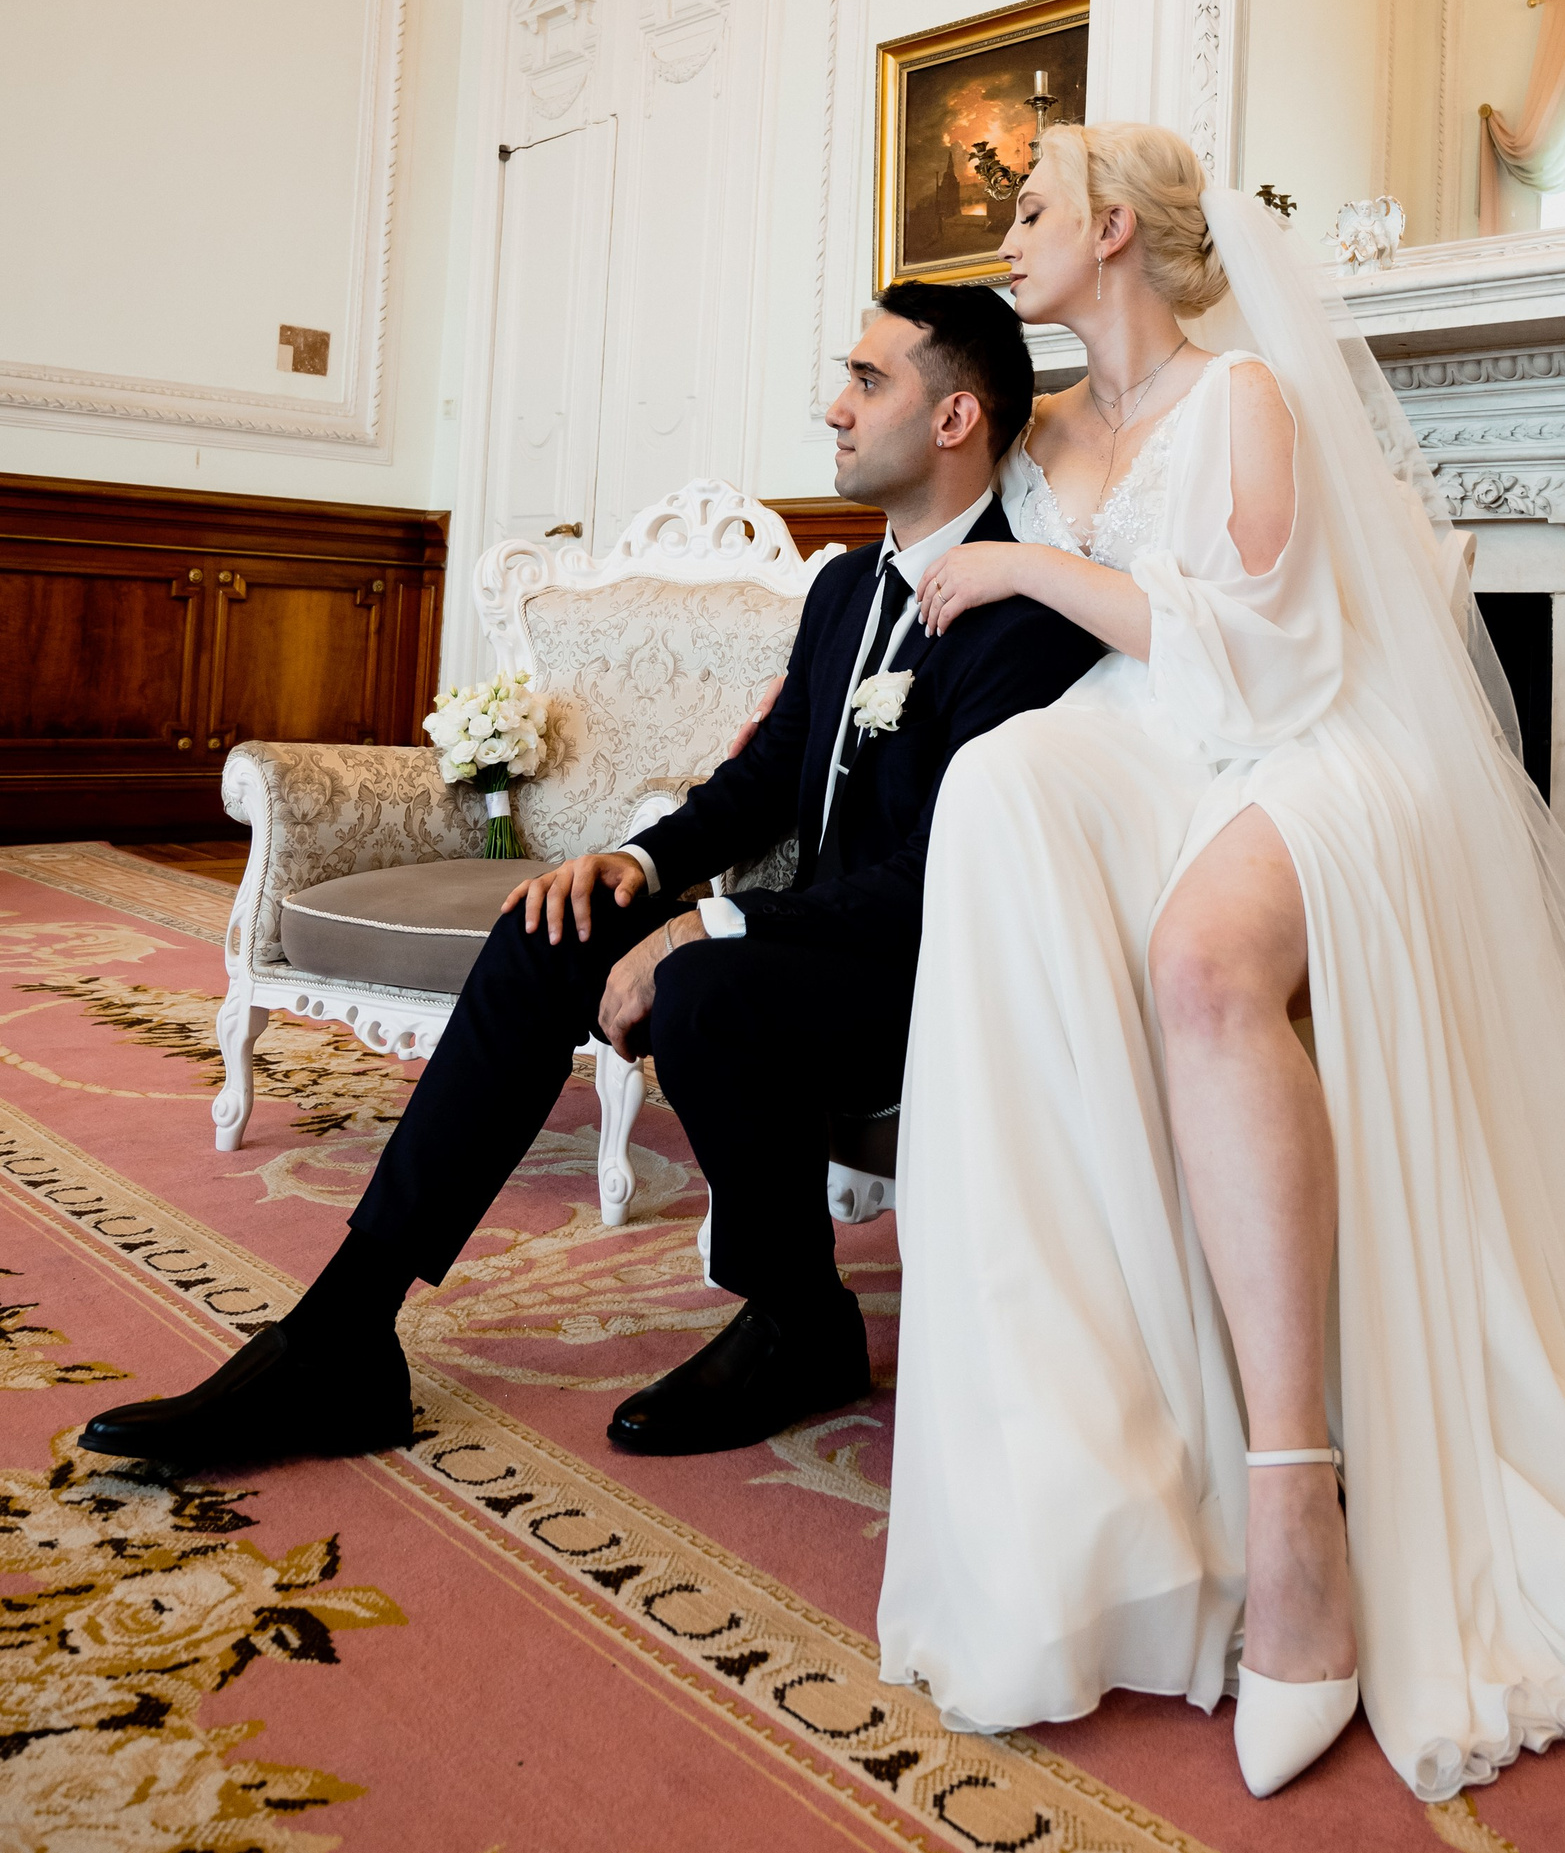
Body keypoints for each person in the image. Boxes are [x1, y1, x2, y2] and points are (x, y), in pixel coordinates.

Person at [875, 122, 1565, 1819]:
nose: (1009, 231)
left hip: (1313, 741)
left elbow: (1267, 660)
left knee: (1205, 961)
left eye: (1034, 205)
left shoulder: (1243, 400)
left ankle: (1293, 1498)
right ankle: (1087, 1474)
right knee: (994, 789)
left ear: (1117, 229)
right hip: (1141, 742)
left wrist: (1030, 563)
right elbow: (927, 551)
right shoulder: (1041, 426)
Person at [81, 283, 1105, 1473]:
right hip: (811, 939)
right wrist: (638, 861)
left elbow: (942, 872)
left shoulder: (1027, 613)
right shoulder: (843, 588)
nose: (835, 405)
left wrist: (711, 923)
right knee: (549, 927)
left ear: (954, 419)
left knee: (707, 984)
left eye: (868, 381)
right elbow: (767, 776)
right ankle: (344, 1334)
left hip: (928, 968)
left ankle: (800, 1319)